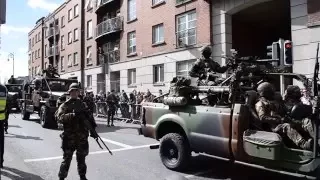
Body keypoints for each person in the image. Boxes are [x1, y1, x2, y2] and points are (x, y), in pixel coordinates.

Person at [255, 82, 312, 150]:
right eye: (271, 89)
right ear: (266, 92)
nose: (273, 90)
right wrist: (278, 120)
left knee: (300, 122)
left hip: (282, 121)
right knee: (287, 126)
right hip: (273, 128)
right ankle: (304, 144)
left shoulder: (275, 100)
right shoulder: (260, 104)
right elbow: (262, 117)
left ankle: (312, 139)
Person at [56, 83, 92, 180]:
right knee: (66, 159)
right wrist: (72, 115)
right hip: (69, 138)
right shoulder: (65, 105)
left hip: (81, 138)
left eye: (76, 91)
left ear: (79, 92)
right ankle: (61, 177)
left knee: (81, 160)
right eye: (73, 91)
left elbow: (89, 118)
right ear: (69, 92)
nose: (75, 93)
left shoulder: (83, 104)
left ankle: (82, 177)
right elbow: (60, 118)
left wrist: (91, 128)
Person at [0, 84, 8, 168]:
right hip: (1, 119)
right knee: (1, 142)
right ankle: (0, 162)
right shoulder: (3, 88)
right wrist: (6, 120)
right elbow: (7, 105)